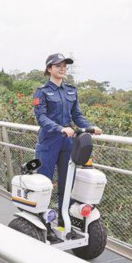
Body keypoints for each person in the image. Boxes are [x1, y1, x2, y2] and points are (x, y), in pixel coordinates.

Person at [33, 53, 103, 217]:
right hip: (49, 141)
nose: (62, 68)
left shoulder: (71, 90)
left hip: (68, 142)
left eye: (64, 65)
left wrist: (90, 127)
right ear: (49, 69)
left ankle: (65, 218)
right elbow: (41, 117)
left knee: (67, 181)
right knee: (44, 182)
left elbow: (77, 115)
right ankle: (42, 217)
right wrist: (59, 128)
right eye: (58, 66)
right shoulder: (41, 92)